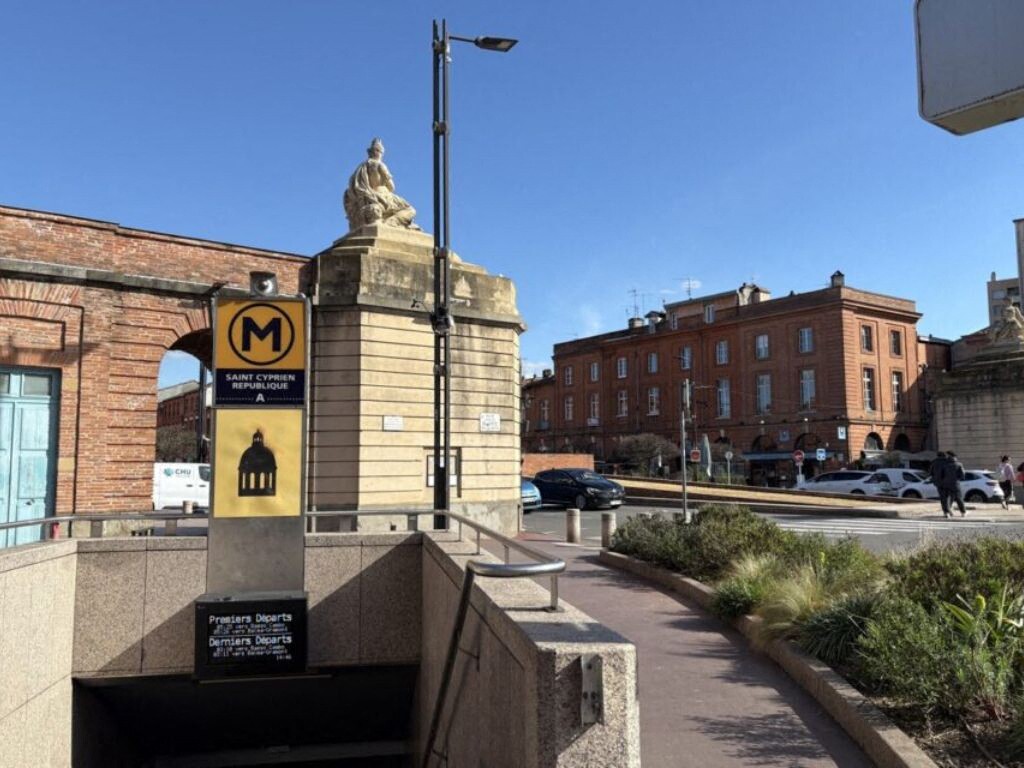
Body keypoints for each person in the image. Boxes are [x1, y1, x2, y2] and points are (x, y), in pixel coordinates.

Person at [343, 138, 420, 231]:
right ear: (379, 152)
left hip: (367, 197)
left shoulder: (359, 168)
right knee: (411, 210)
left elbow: (352, 188)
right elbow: (392, 187)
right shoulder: (380, 165)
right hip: (383, 196)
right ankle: (390, 223)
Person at [945, 451, 968, 517]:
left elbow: (942, 474)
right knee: (959, 498)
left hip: (946, 484)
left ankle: (947, 512)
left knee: (948, 499)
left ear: (949, 456)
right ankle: (963, 512)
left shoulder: (945, 464)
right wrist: (958, 479)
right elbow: (963, 475)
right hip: (956, 484)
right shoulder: (959, 464)